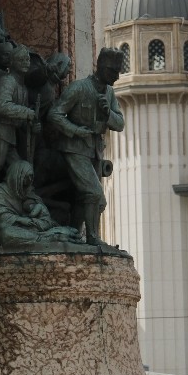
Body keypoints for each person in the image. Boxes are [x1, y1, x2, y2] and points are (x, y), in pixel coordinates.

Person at [47, 48, 125, 245]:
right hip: (74, 148)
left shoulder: (109, 93)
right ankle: (92, 238)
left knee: (87, 199)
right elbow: (55, 114)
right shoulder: (79, 88)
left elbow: (120, 124)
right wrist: (75, 130)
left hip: (95, 151)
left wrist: (108, 114)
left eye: (118, 71)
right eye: (113, 71)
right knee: (94, 194)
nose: (117, 76)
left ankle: (75, 234)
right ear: (102, 68)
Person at [0, 44, 37, 198]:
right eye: (21, 59)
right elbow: (2, 106)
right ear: (12, 62)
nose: (26, 62)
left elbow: (20, 120)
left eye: (27, 59)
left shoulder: (22, 88)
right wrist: (27, 113)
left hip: (9, 136)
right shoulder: (8, 80)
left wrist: (31, 123)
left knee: (19, 172)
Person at [0, 160, 79, 247]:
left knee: (59, 216)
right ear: (18, 176)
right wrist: (20, 219)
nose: (30, 180)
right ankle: (49, 238)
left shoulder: (27, 191)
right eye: (27, 177)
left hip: (30, 228)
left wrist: (38, 213)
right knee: (6, 234)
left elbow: (42, 214)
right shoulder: (1, 191)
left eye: (32, 176)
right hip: (14, 229)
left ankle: (52, 235)